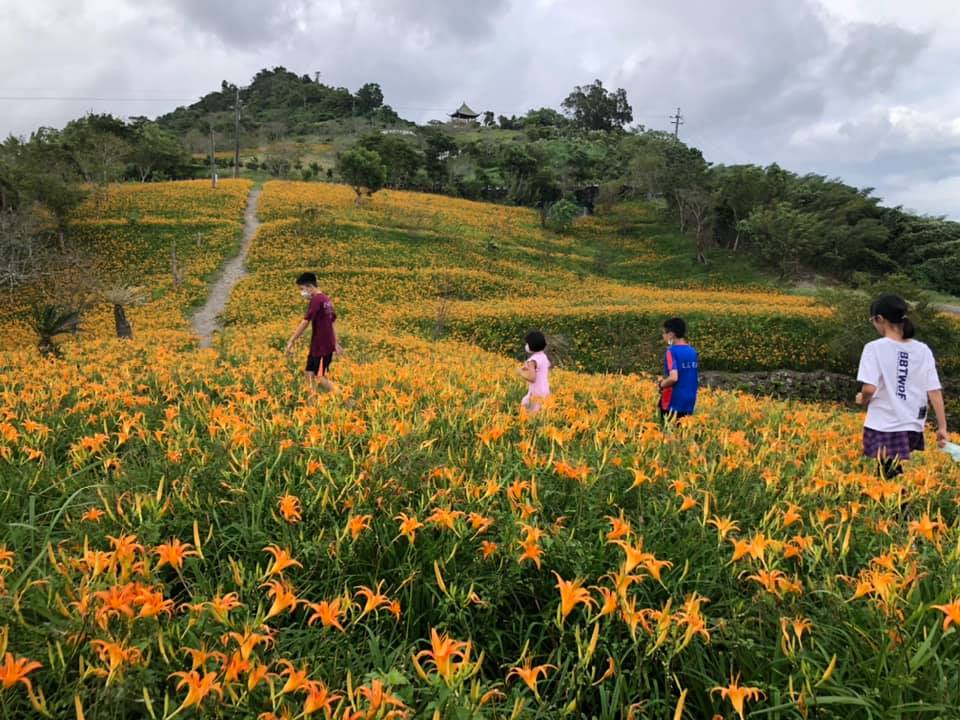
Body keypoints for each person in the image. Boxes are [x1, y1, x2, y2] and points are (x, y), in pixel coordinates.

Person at [855, 294, 948, 477]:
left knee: (887, 473)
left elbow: (869, 388)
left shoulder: (874, 348)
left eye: (873, 320)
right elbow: (934, 391)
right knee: (890, 470)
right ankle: (897, 502)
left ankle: (899, 504)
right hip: (912, 424)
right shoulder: (922, 349)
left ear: (880, 319)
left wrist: (862, 398)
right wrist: (942, 427)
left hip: (885, 422)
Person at [285, 272, 342, 393]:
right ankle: (312, 404)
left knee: (320, 377)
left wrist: (292, 340)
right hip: (319, 346)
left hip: (322, 347)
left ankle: (348, 400)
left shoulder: (317, 300)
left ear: (310, 286)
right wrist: (336, 343)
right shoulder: (326, 300)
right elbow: (332, 321)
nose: (302, 293)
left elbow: (305, 322)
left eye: (302, 289)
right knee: (308, 373)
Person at [658, 317, 699, 421]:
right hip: (690, 400)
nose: (663, 336)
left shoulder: (671, 352)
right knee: (683, 433)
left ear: (671, 334)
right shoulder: (692, 351)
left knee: (668, 433)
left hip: (674, 401)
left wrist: (661, 384)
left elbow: (673, 378)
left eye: (664, 333)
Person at [518, 330, 550, 415]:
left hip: (536, 392)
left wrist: (521, 372)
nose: (526, 345)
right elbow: (540, 370)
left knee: (530, 413)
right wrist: (527, 369)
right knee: (541, 414)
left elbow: (532, 378)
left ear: (532, 345)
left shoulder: (532, 361)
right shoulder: (544, 356)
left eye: (527, 343)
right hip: (545, 390)